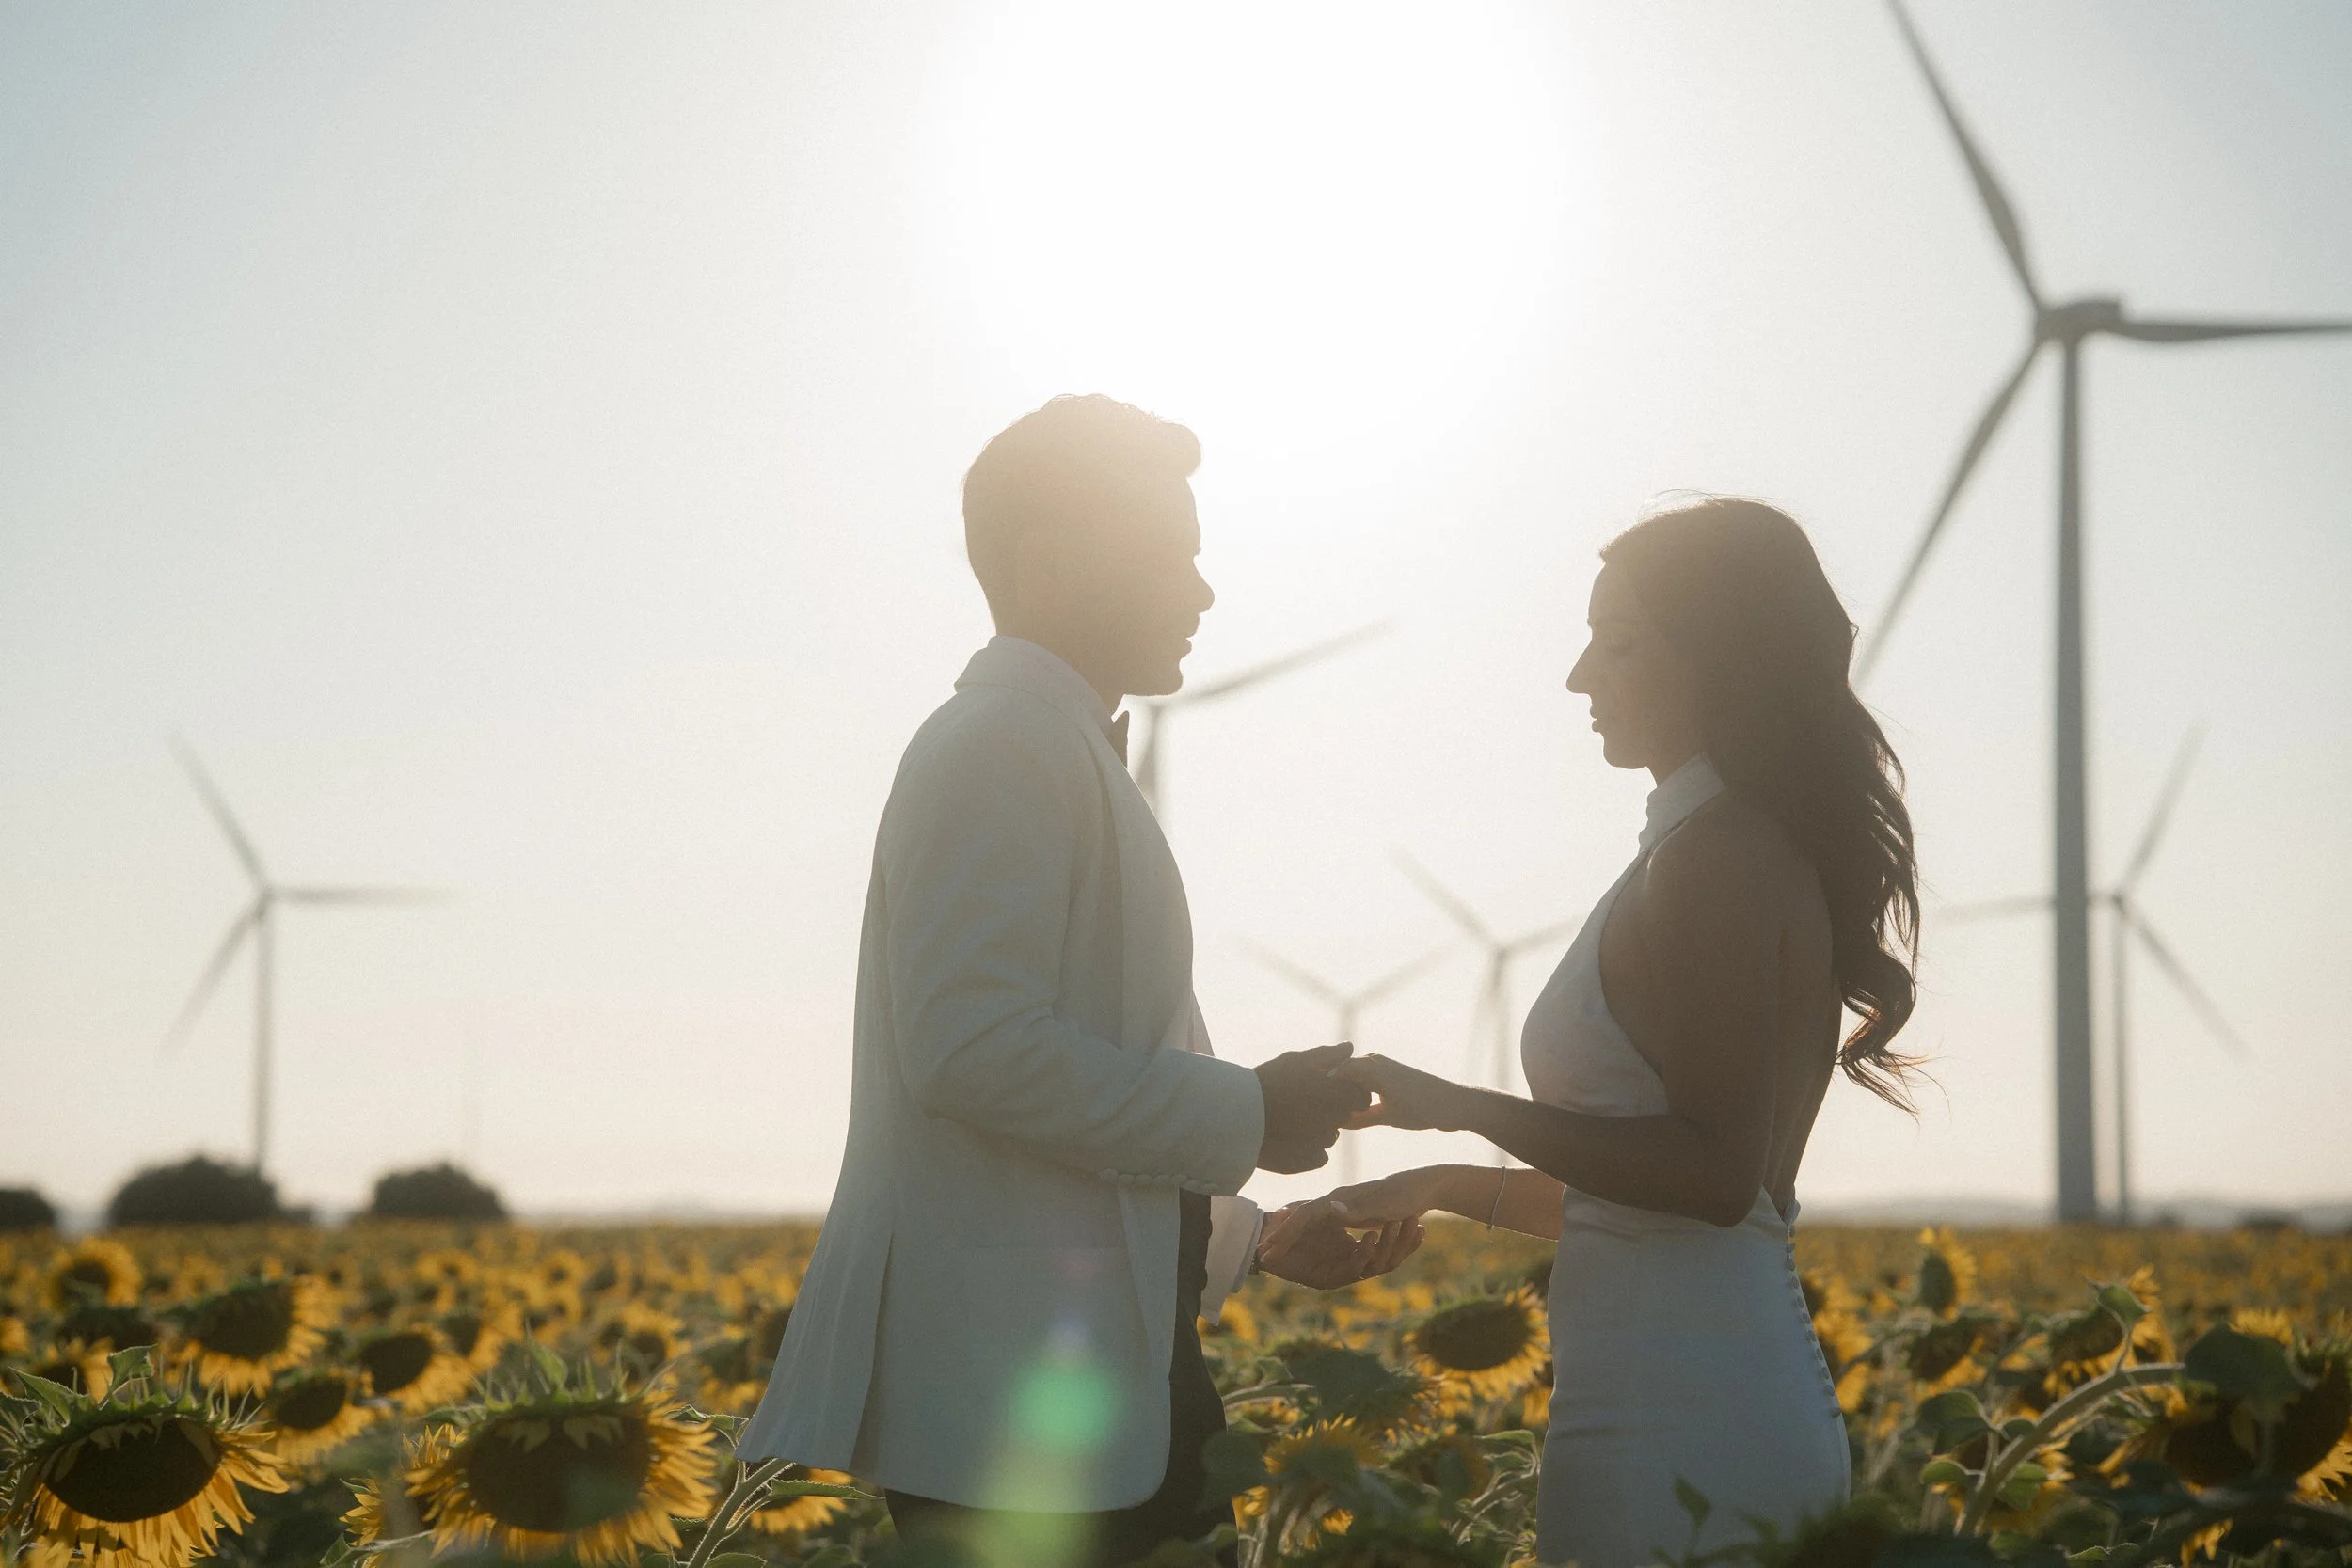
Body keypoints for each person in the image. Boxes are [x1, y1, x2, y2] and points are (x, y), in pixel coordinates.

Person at [739, 394, 1423, 1568]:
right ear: (1048, 561)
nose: (1202, 590)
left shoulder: (1048, 746)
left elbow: (1058, 1127)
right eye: (1171, 553)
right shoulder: (997, 744)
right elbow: (972, 1050)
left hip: (1089, 1388)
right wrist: (1251, 1110)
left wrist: (1250, 1240)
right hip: (1016, 1410)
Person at [1312, 498, 1919, 1567]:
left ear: (1721, 657)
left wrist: (1454, 1102)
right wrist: (1441, 1181)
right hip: (1682, 1388)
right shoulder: (1701, 843)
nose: (1580, 675)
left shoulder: (1715, 856)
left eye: (1619, 642)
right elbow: (1650, 1209)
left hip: (1685, 1417)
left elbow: (1715, 1175)